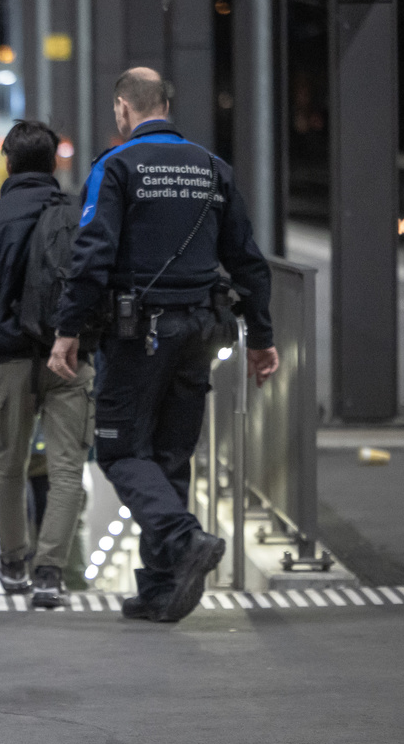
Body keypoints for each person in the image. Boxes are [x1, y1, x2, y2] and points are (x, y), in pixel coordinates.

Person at [48, 67, 279, 622]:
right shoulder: (212, 169)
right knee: (172, 457)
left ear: (124, 107)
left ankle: (182, 539)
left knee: (121, 450)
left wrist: (69, 330)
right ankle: (158, 589)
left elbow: (92, 256)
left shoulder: (116, 167)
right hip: (201, 328)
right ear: (166, 106)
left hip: (137, 334)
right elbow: (248, 260)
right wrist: (262, 338)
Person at [0, 120, 95, 608]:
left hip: (10, 357)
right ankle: (51, 574)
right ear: (55, 163)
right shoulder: (80, 218)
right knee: (66, 468)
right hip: (70, 356)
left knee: (9, 465)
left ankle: (13, 561)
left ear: (9, 163)